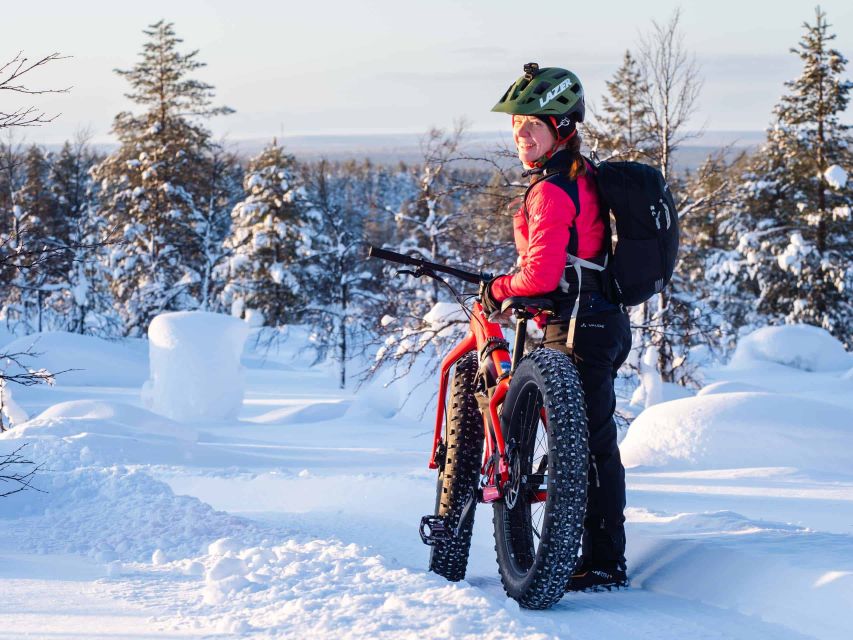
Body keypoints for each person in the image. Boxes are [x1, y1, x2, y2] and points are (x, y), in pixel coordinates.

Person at [481, 62, 632, 592]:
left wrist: (500, 288)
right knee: (589, 441)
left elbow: (542, 272)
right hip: (594, 319)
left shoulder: (551, 189)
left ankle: (603, 561)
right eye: (516, 126)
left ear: (562, 127)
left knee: (586, 445)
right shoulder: (579, 174)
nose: (521, 136)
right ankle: (592, 556)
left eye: (533, 126)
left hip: (578, 325)